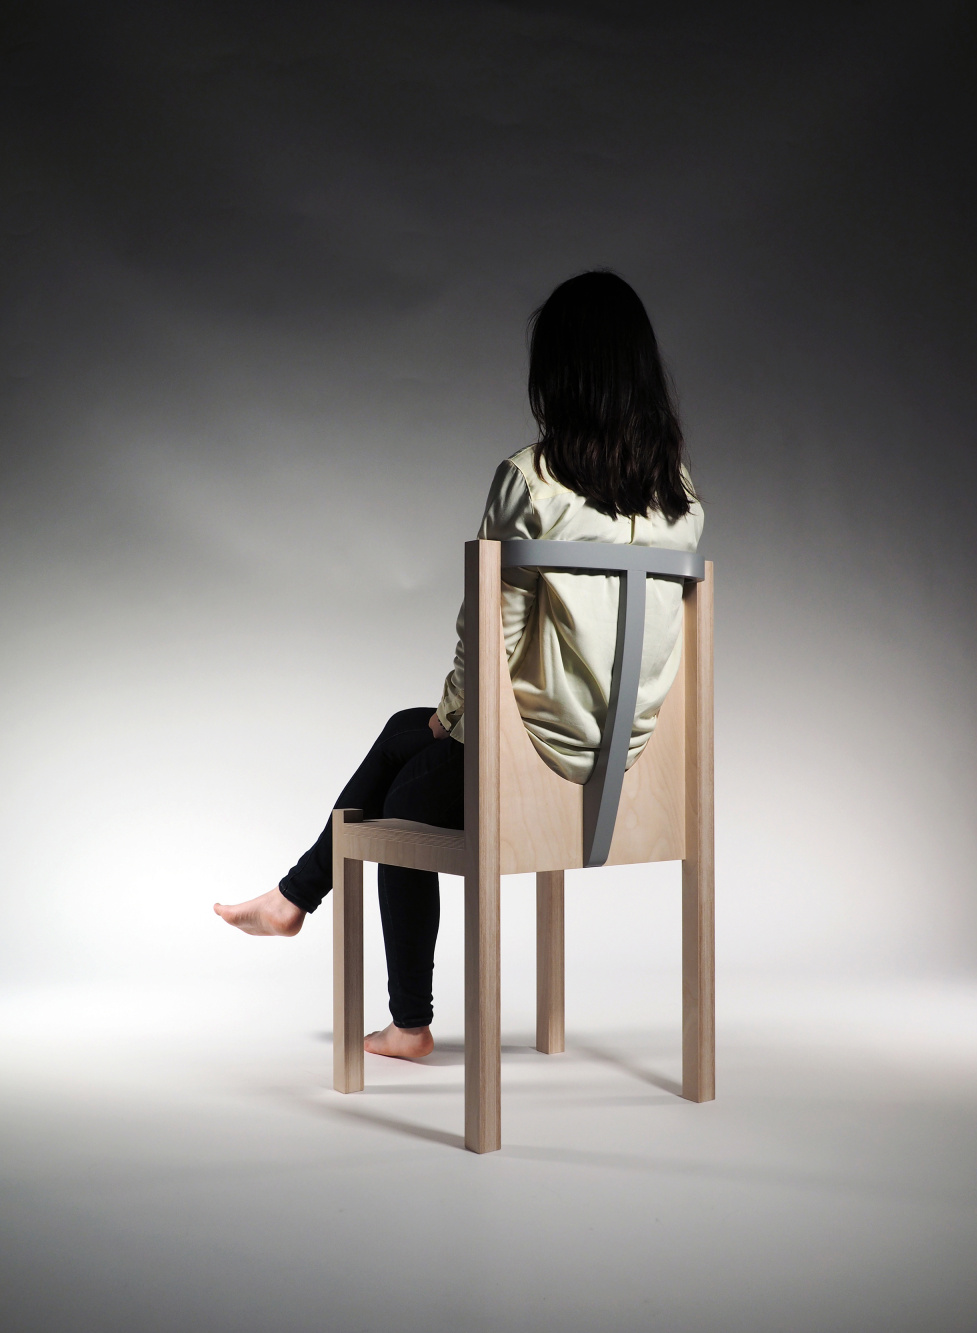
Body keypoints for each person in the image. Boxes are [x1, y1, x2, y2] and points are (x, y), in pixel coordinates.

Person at [215, 270, 704, 1060]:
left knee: (397, 802)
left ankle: (403, 1018)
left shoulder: (531, 480)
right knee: (403, 730)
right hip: (635, 771)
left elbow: (488, 633)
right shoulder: (679, 495)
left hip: (539, 771)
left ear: (560, 374)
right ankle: (291, 897)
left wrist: (453, 718)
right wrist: (445, 719)